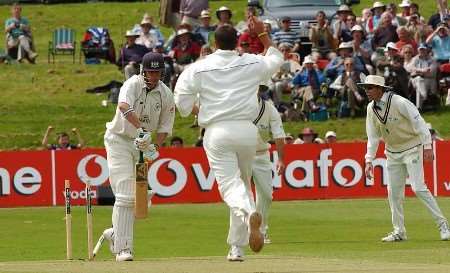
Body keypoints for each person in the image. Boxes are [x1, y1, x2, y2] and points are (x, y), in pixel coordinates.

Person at [174, 17, 283, 261]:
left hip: (218, 131)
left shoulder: (199, 67)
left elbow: (181, 101)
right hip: (247, 131)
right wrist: (262, 34)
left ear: (214, 42)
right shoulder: (250, 62)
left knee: (231, 187)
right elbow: (277, 60)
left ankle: (249, 212)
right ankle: (237, 248)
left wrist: (200, 110)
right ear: (238, 42)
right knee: (242, 184)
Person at [102, 52, 175, 261]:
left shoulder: (166, 94)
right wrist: (141, 128)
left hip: (143, 147)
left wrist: (155, 146)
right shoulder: (132, 84)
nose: (153, 76)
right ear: (143, 71)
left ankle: (116, 233)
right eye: (150, 71)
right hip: (120, 141)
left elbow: (165, 126)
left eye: (157, 72)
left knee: (143, 198)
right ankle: (124, 248)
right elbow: (124, 106)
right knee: (125, 193)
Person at [361, 75, 450, 242]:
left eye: (370, 88)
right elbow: (372, 137)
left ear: (380, 89)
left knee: (418, 188)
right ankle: (399, 231)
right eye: (365, 88)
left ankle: (443, 225)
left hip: (412, 149)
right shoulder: (370, 108)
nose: (367, 91)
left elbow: (420, 124)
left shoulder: (399, 102)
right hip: (392, 153)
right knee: (393, 193)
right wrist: (368, 160)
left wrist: (428, 146)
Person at [251, 93, 286, 245]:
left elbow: (278, 135)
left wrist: (281, 159)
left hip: (261, 154)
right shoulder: (237, 103)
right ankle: (245, 232)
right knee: (242, 195)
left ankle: (261, 231)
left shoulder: (269, 109)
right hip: (241, 154)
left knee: (266, 195)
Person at [407, 43, 438, 110]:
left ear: (427, 50)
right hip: (415, 80)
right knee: (419, 80)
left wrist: (418, 71)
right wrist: (422, 70)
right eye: (420, 50)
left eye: (423, 49)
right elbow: (410, 68)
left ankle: (419, 107)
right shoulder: (415, 59)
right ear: (418, 50)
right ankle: (424, 98)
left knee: (421, 82)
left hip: (429, 79)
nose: (422, 51)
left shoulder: (432, 60)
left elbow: (432, 71)